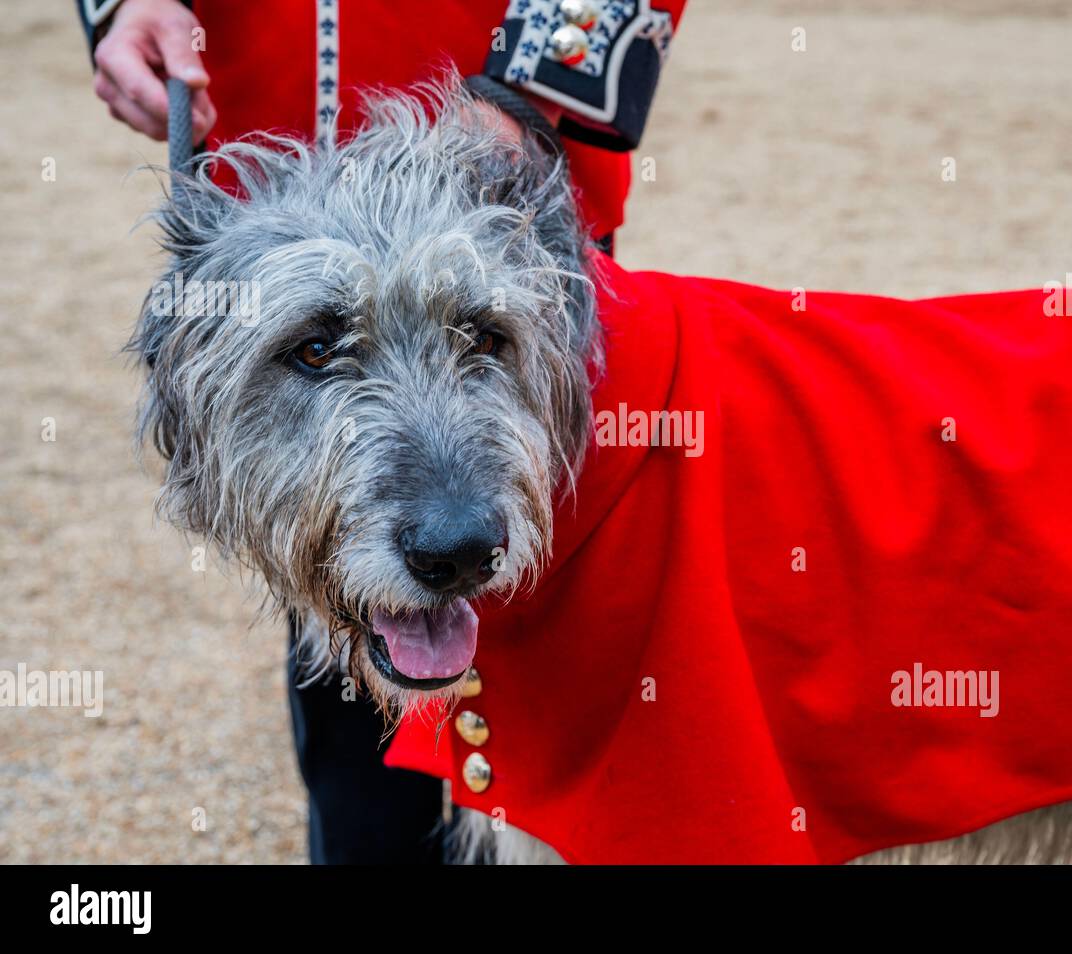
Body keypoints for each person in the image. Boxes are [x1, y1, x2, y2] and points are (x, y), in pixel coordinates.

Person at [77, 0, 686, 863]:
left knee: (575, 675)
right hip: (261, 161)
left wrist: (534, 81)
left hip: (504, 156)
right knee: (342, 669)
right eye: (320, 354)